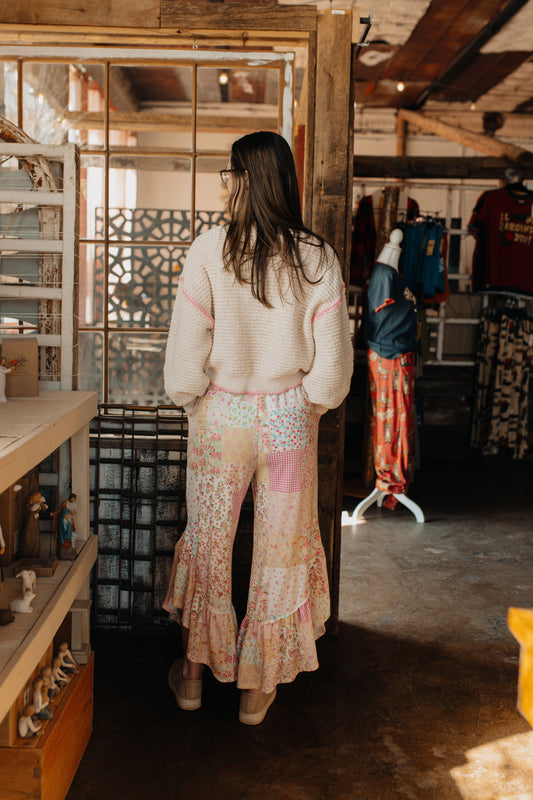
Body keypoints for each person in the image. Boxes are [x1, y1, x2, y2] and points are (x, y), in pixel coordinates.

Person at [163, 130, 353, 725]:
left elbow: (184, 360)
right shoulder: (317, 257)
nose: (226, 185)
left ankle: (192, 677)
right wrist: (306, 406)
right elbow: (332, 369)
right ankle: (257, 687)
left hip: (222, 416)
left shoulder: (209, 249)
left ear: (245, 179)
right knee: (281, 551)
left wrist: (193, 400)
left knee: (209, 543)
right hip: (288, 419)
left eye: (230, 175)